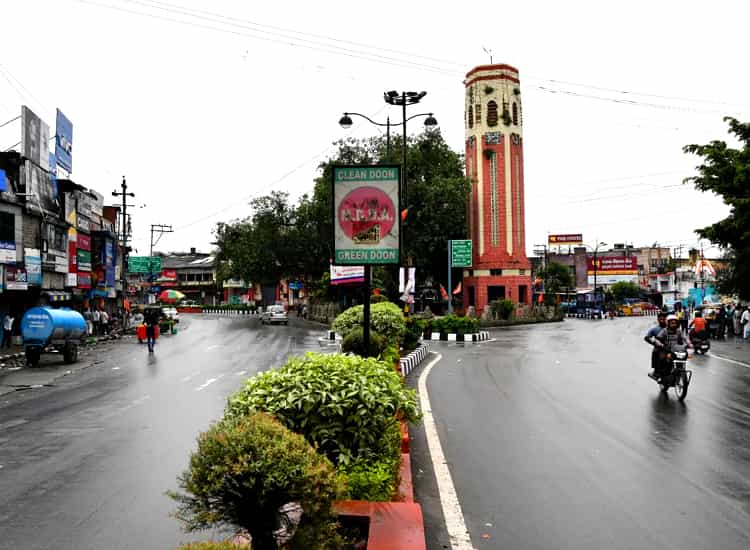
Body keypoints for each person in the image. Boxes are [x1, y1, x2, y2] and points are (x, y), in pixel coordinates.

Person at [653, 314, 688, 381]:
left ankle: (679, 372)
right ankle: (661, 375)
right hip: (666, 349)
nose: (673, 324)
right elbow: (657, 339)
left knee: (684, 356)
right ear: (668, 323)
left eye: (675, 323)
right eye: (672, 323)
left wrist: (689, 344)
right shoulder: (664, 331)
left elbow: (685, 338)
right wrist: (660, 343)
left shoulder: (679, 331)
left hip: (677, 349)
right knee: (662, 358)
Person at [644, 312, 668, 378]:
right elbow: (646, 337)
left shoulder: (672, 327)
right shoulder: (654, 329)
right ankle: (656, 370)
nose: (663, 321)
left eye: (664, 319)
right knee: (655, 352)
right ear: (658, 320)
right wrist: (654, 343)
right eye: (661, 319)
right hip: (660, 348)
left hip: (672, 347)